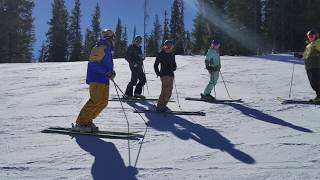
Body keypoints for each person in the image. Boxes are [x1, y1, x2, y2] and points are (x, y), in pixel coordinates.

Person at [74, 29, 116, 132]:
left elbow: (105, 64)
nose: (114, 40)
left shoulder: (107, 50)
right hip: (96, 78)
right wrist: (107, 71)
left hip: (104, 80)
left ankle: (87, 120)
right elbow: (93, 63)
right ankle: (80, 122)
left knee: (103, 102)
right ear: (109, 38)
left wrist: (111, 72)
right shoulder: (100, 47)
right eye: (113, 38)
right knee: (95, 101)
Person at [294, 29, 320, 104]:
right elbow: (306, 55)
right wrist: (300, 55)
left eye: (311, 36)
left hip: (316, 65)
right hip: (310, 66)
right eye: (309, 36)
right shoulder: (310, 44)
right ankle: (318, 96)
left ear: (316, 35)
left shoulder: (318, 42)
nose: (310, 38)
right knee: (313, 83)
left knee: (316, 82)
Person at [154, 40, 177, 111]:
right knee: (165, 90)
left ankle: (164, 105)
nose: (170, 46)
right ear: (165, 45)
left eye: (171, 45)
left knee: (169, 91)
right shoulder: (161, 53)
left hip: (171, 75)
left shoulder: (172, 54)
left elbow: (174, 63)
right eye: (168, 45)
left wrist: (174, 67)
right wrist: (158, 73)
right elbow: (156, 64)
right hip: (164, 75)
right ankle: (160, 106)